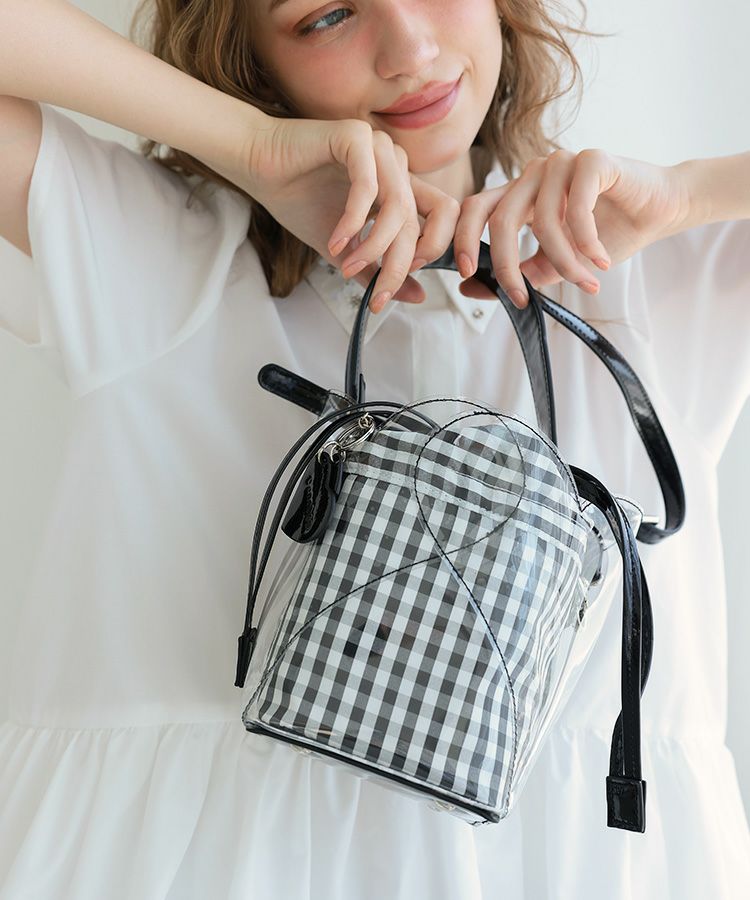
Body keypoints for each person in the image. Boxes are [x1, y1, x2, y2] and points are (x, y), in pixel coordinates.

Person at [0, 0, 749, 897]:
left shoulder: (648, 278)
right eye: (327, 16)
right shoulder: (155, 253)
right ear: (247, 54)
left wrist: (689, 195)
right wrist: (254, 148)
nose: (410, 49)